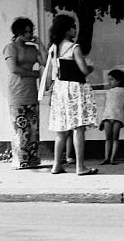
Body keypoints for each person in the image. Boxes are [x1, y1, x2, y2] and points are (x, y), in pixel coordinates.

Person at [45, 14, 98, 175]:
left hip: (60, 88)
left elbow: (52, 71)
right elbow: (83, 70)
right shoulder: (74, 48)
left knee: (61, 130)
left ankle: (56, 165)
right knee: (78, 128)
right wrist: (91, 68)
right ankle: (80, 166)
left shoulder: (53, 48)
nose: (75, 29)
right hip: (75, 88)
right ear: (67, 29)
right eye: (73, 26)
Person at [3, 17, 46, 169]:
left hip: (31, 92)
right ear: (18, 32)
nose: (28, 34)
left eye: (30, 31)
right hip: (17, 91)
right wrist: (34, 74)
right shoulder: (10, 48)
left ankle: (33, 160)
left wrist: (39, 44)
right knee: (20, 128)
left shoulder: (32, 49)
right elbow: (13, 68)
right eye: (25, 31)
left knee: (33, 129)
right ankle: (20, 161)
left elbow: (45, 62)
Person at [98, 69, 124, 165]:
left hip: (118, 117)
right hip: (107, 117)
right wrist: (102, 120)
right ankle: (106, 157)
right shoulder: (108, 92)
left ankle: (112, 158)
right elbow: (105, 106)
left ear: (119, 80)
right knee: (108, 138)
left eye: (111, 79)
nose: (109, 82)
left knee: (115, 138)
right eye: (108, 79)